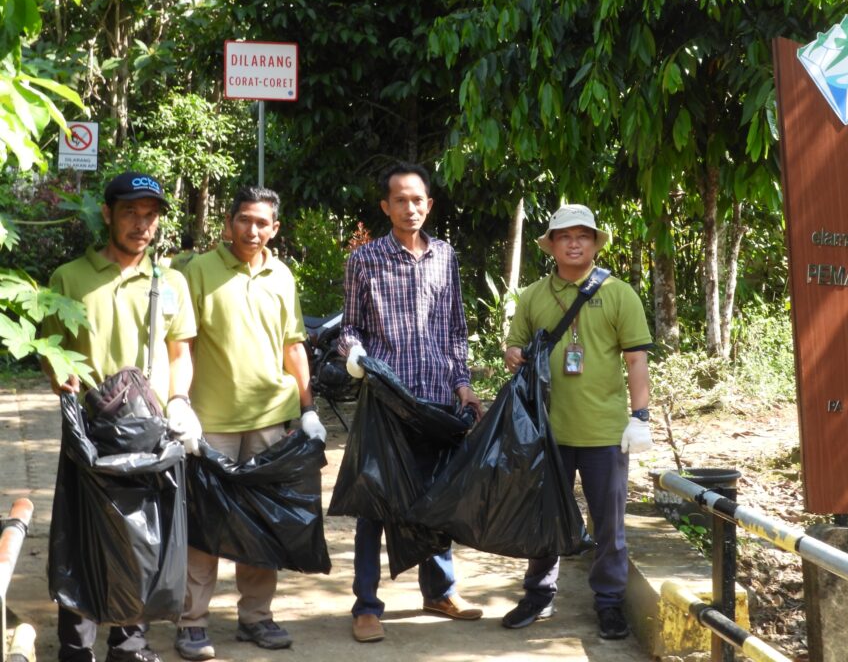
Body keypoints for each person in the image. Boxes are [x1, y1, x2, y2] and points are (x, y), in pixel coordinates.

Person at [42, 171, 198, 662]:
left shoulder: (168, 280)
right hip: (91, 426)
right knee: (83, 533)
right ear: (107, 213)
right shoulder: (69, 278)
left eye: (150, 215)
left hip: (151, 429)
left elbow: (180, 352)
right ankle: (76, 644)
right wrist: (60, 379)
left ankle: (129, 644)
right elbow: (52, 349)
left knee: (140, 536)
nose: (141, 224)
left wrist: (179, 401)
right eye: (130, 211)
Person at [174, 186, 326, 661]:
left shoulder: (281, 274)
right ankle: (192, 620)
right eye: (244, 220)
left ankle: (256, 616)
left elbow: (293, 345)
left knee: (263, 522)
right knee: (204, 523)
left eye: (262, 223)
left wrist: (307, 410)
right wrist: (179, 407)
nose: (252, 230)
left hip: (270, 420)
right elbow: (183, 345)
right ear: (228, 221)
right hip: (211, 421)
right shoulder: (197, 272)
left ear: (274, 228)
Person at [341, 161, 484, 643]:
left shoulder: (445, 256)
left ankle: (439, 591)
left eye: (417, 199)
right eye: (399, 199)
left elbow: (455, 329)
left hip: (438, 400)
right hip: (385, 403)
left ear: (429, 204)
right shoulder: (365, 260)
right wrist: (354, 355)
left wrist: (462, 383)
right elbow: (349, 327)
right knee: (374, 502)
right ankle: (366, 605)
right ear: (385, 206)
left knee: (436, 498)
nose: (409, 207)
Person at [501, 204, 654, 640]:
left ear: (593, 243)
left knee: (610, 526)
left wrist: (639, 417)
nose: (573, 243)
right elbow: (514, 348)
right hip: (547, 431)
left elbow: (637, 358)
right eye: (564, 236)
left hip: (605, 432)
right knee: (545, 518)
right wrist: (514, 355)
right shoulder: (532, 296)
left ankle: (609, 604)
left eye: (582, 236)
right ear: (550, 244)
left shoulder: (620, 293)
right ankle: (537, 595)